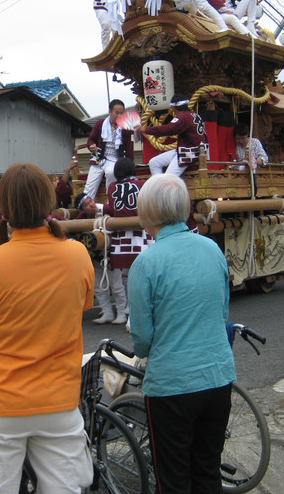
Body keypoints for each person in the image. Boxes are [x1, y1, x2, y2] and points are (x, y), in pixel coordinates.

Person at [0, 163, 94, 493]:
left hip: (0, 402)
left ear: (3, 208)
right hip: (60, 401)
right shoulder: (78, 254)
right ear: (49, 202)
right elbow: (82, 306)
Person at [127, 174, 236, 493]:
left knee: (173, 480)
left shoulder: (145, 263)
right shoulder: (211, 249)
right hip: (218, 378)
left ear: (147, 212)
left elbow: (143, 340)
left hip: (172, 386)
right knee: (207, 471)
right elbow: (222, 310)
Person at [103, 157, 153, 329]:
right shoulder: (142, 184)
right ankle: (138, 315)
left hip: (121, 235)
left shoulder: (111, 187)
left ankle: (129, 314)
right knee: (144, 276)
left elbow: (113, 207)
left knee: (126, 276)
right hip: (140, 234)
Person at [74, 192, 129, 325]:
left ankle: (122, 312)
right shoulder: (81, 218)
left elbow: (120, 223)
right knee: (98, 285)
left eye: (91, 201)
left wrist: (109, 220)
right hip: (95, 254)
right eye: (87, 205)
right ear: (82, 209)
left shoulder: (105, 209)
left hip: (110, 252)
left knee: (116, 285)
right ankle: (107, 312)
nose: (92, 205)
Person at [136, 99, 208, 176]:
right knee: (154, 163)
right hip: (188, 150)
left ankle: (164, 186)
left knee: (168, 177)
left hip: (188, 153)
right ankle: (159, 185)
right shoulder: (195, 115)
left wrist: (146, 129)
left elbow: (168, 129)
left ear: (173, 108)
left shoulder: (183, 117)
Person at [84, 99, 134, 200]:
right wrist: (92, 146)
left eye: (122, 113)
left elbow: (129, 148)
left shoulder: (126, 128)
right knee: (90, 183)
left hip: (115, 159)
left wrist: (130, 166)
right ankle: (86, 205)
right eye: (116, 113)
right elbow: (91, 140)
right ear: (110, 111)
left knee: (111, 172)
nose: (119, 116)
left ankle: (110, 202)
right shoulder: (100, 124)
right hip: (99, 158)